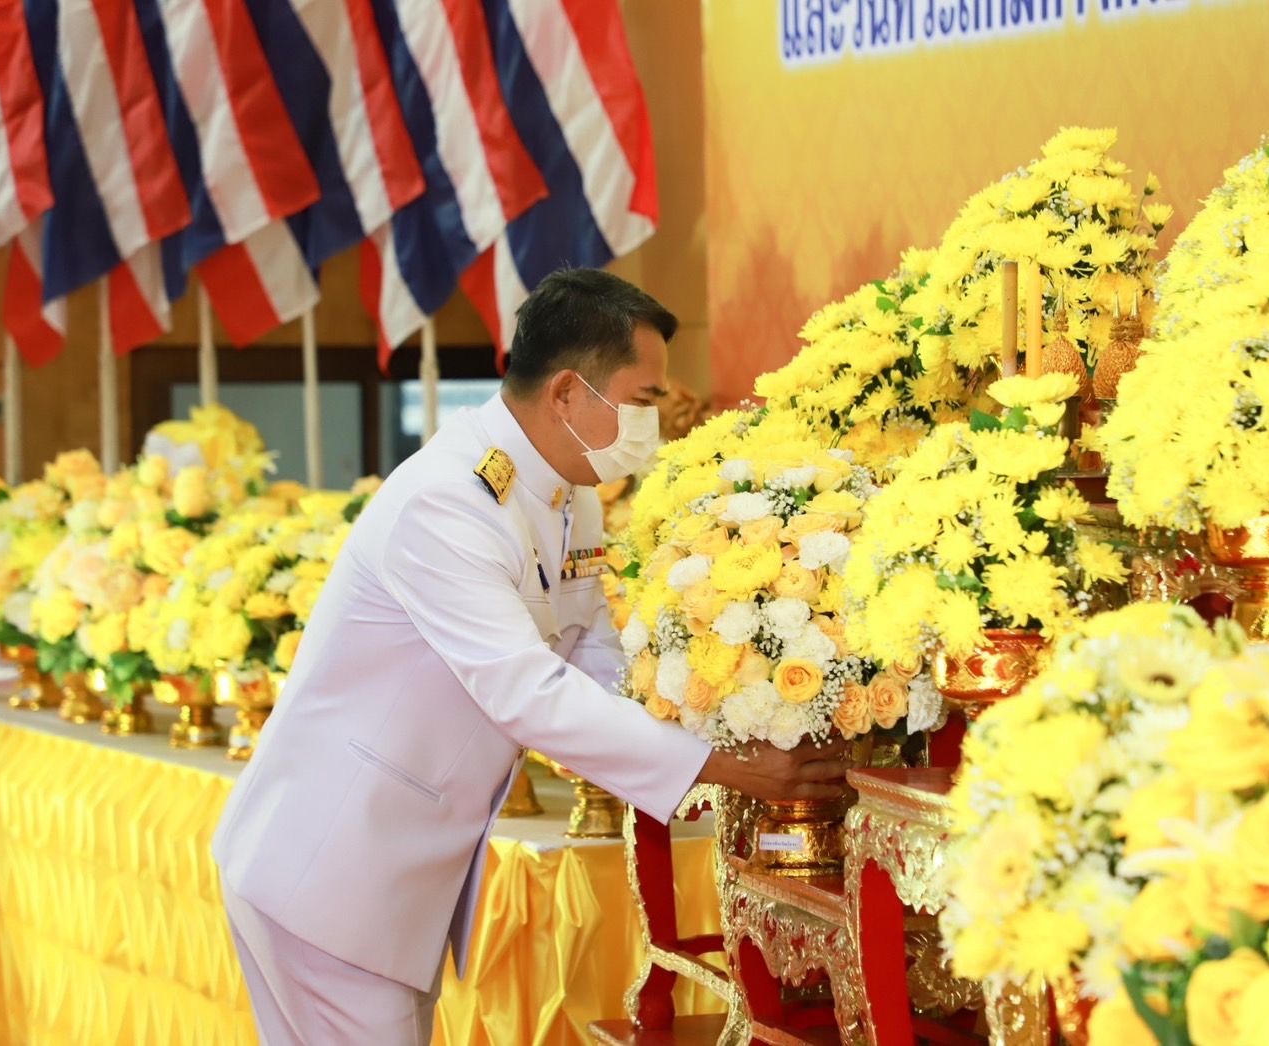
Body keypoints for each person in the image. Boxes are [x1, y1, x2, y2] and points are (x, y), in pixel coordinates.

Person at [211, 268, 851, 1043]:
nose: (657, 418)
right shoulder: (447, 501)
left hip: (379, 874)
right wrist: (718, 766)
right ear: (568, 394)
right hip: (329, 864)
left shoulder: (564, 489)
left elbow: (590, 654)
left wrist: (725, 707)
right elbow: (526, 690)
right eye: (645, 399)